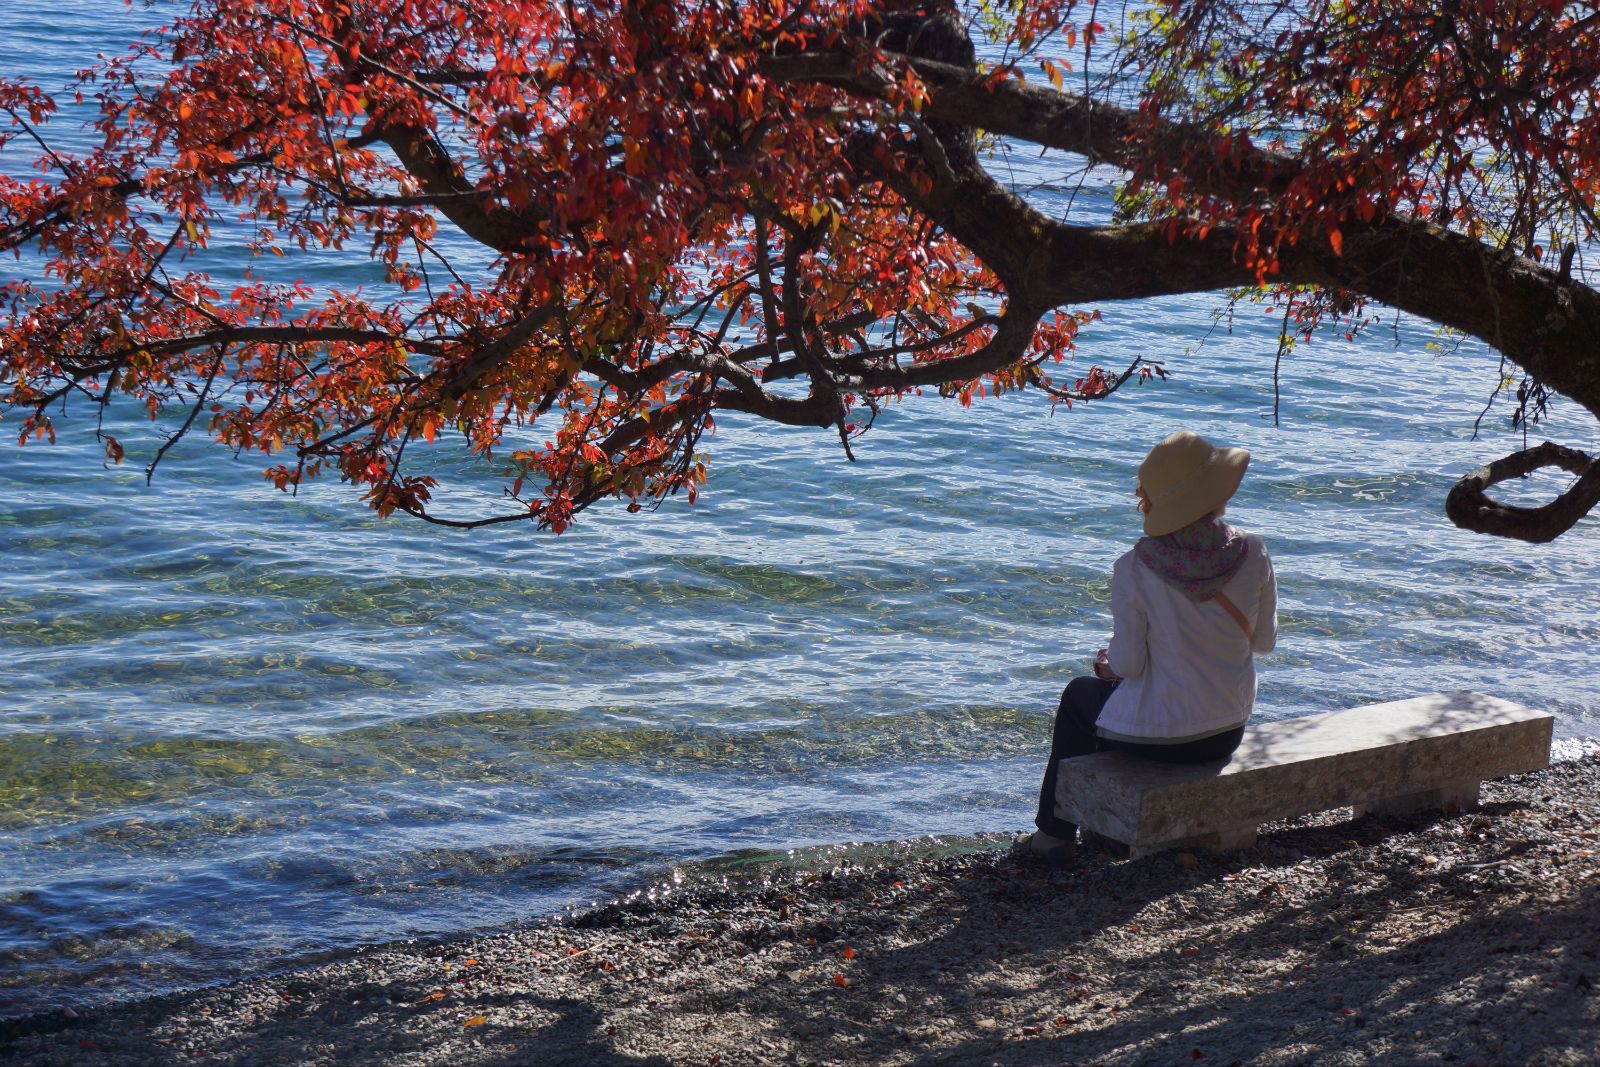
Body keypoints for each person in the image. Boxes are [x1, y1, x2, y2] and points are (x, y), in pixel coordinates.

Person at [1023, 430, 1278, 862]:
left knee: (1079, 696)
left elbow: (1129, 664)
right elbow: (1264, 643)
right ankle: (1107, 831)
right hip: (1225, 730)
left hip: (1161, 739)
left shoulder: (1135, 566)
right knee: (1110, 705)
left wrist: (1110, 667)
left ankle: (1054, 835)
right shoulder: (1252, 552)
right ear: (1217, 493)